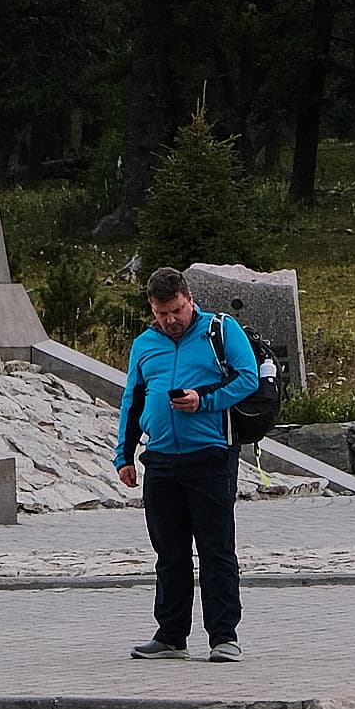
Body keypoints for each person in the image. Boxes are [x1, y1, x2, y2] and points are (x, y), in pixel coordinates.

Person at [117, 264, 259, 663]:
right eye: (162, 313)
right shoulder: (145, 344)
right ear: (152, 309)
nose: (171, 320)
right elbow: (133, 400)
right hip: (160, 460)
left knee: (216, 550)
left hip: (210, 456)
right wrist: (123, 456)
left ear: (190, 300)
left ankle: (223, 637)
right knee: (170, 553)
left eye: (177, 310)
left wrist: (204, 400)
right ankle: (171, 636)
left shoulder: (220, 330)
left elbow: (247, 378)